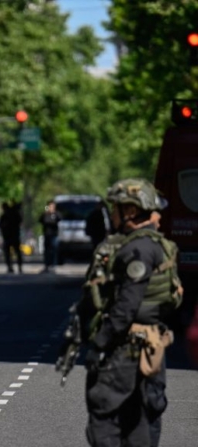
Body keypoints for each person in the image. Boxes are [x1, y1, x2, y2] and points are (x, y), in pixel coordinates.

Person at [82, 179, 182, 447]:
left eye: (116, 207)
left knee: (105, 422)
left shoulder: (137, 249)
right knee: (139, 419)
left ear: (131, 211)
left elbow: (127, 305)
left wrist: (100, 344)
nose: (112, 213)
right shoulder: (154, 244)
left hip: (128, 347)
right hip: (148, 344)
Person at [0, 202, 23, 274]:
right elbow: (0, 225)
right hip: (9, 236)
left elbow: (20, 221)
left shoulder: (13, 215)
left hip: (13, 236)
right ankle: (11, 267)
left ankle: (17, 267)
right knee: (10, 253)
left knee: (15, 252)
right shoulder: (6, 216)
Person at [38, 200, 61, 273]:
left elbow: (60, 218)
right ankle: (47, 265)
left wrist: (54, 213)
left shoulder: (56, 214)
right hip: (47, 234)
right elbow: (40, 220)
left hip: (54, 234)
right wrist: (46, 212)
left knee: (53, 250)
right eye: (50, 206)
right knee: (47, 250)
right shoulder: (45, 214)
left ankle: (53, 265)